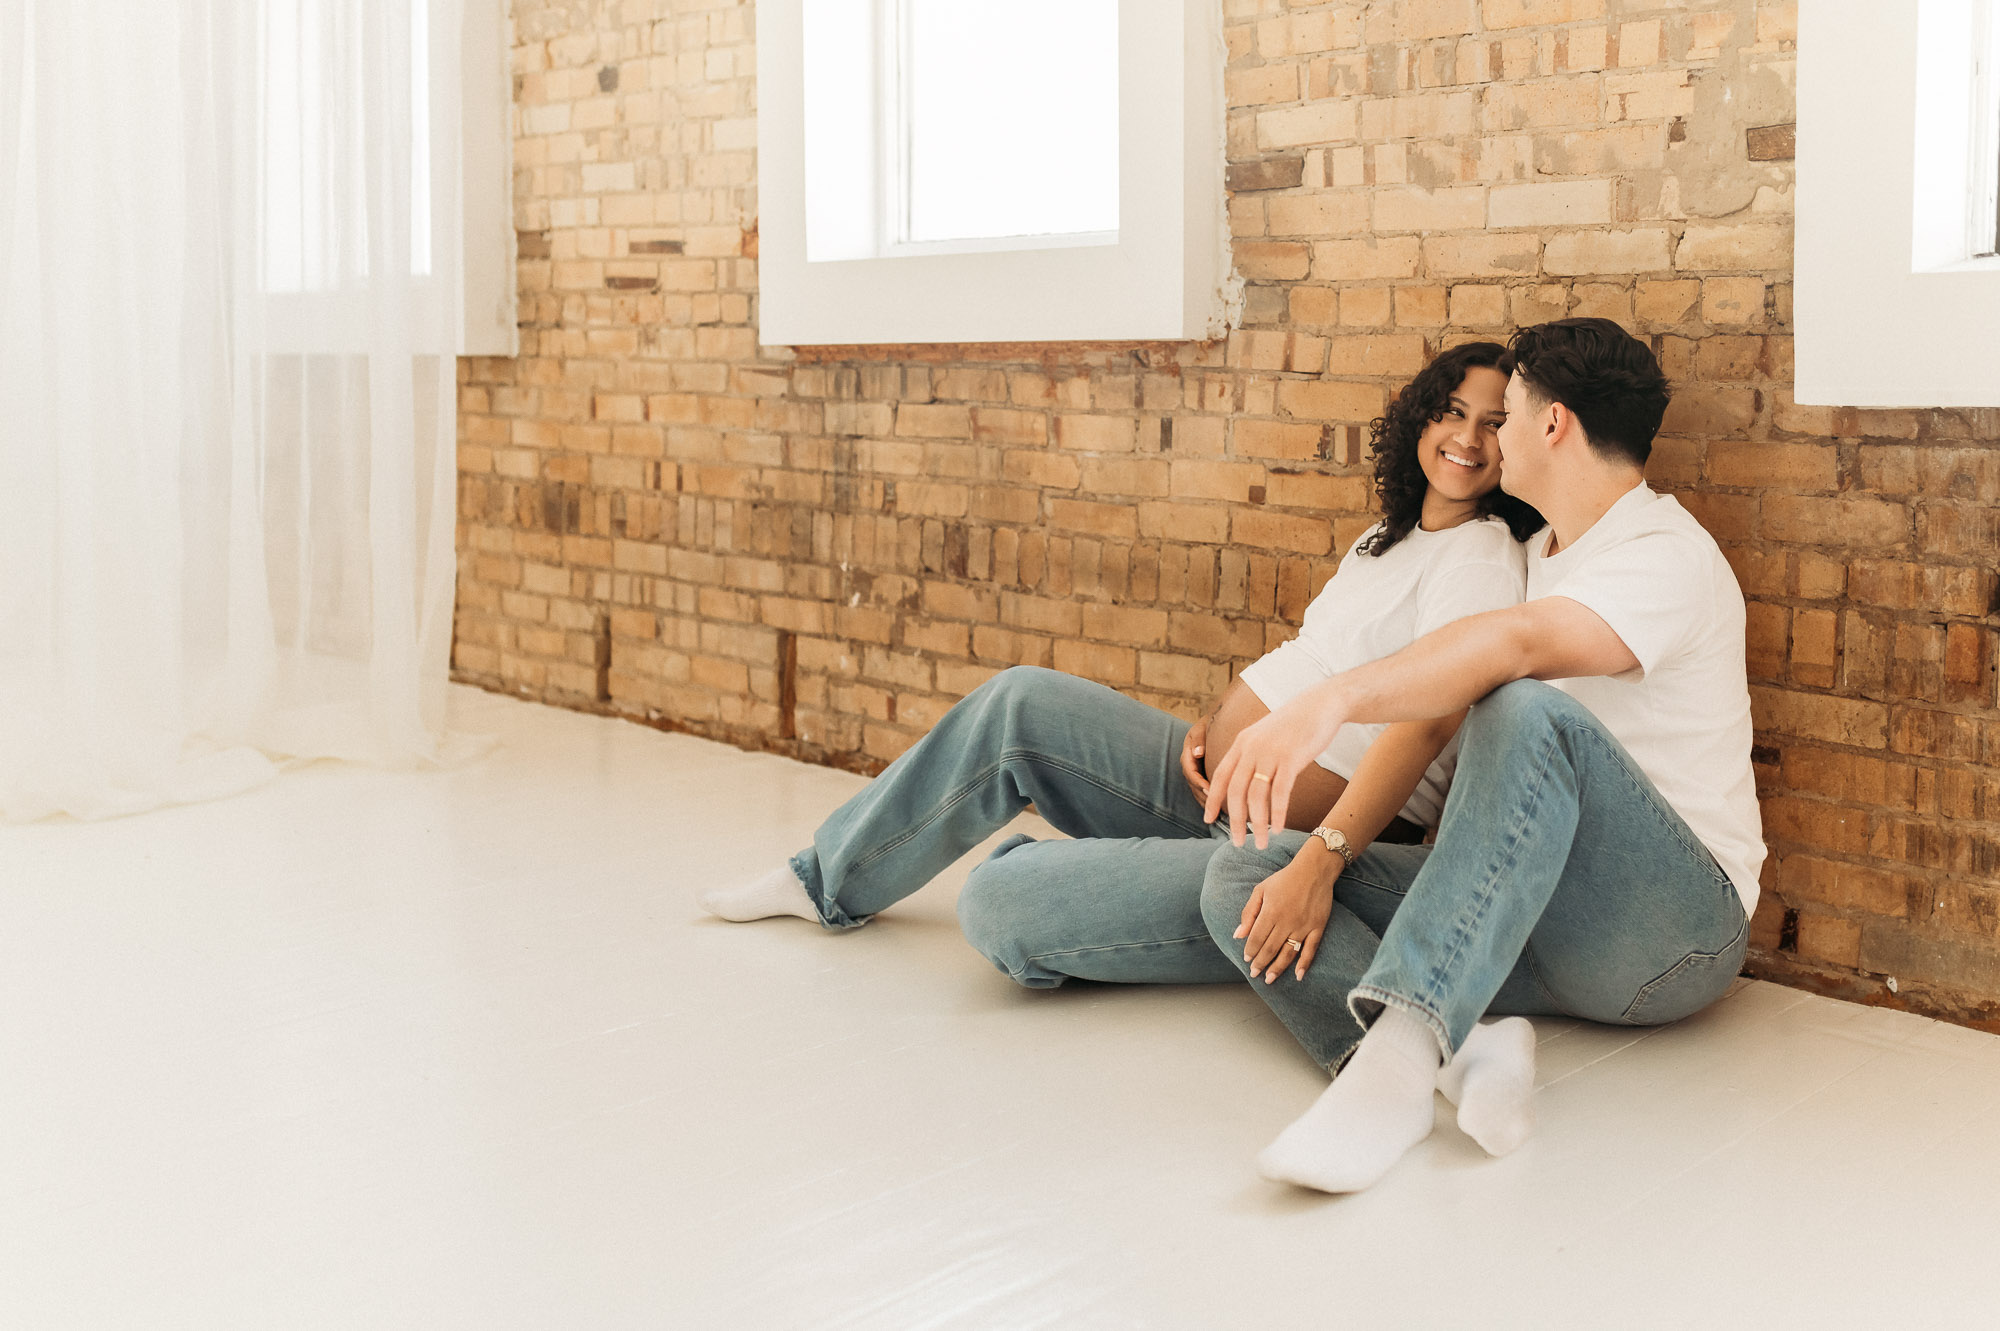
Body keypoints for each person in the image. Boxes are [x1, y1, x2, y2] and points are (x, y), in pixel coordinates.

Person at [700, 343, 1543, 1001]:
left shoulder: (1480, 555)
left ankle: (1066, 874)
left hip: (1282, 844)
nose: (1468, 438)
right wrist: (1214, 729)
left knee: (1003, 904)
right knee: (1020, 701)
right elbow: (1308, 659)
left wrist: (1324, 855)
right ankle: (823, 879)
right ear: (1421, 419)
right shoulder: (1388, 538)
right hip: (1218, 789)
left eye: (1493, 423)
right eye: (1453, 412)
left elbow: (1429, 720)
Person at [1198, 317, 1764, 1194]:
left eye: (1509, 413)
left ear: (1553, 424)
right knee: (1251, 875)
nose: (1490, 433)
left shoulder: (1666, 555)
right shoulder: (1533, 551)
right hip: (1536, 917)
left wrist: (1331, 699)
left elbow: (1517, 645)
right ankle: (1472, 1047)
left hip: (1673, 934)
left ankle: (1396, 1062)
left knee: (1524, 705)